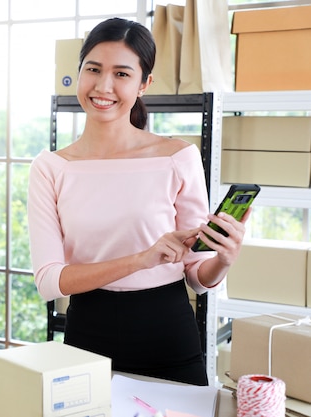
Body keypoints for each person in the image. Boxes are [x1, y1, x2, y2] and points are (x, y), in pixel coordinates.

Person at [27, 17, 249, 386]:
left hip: (168, 335)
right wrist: (142, 259)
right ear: (79, 73)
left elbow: (197, 275)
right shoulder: (50, 168)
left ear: (144, 84)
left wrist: (224, 259)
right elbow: (50, 281)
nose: (103, 86)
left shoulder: (178, 158)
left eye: (122, 74)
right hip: (86, 337)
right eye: (93, 69)